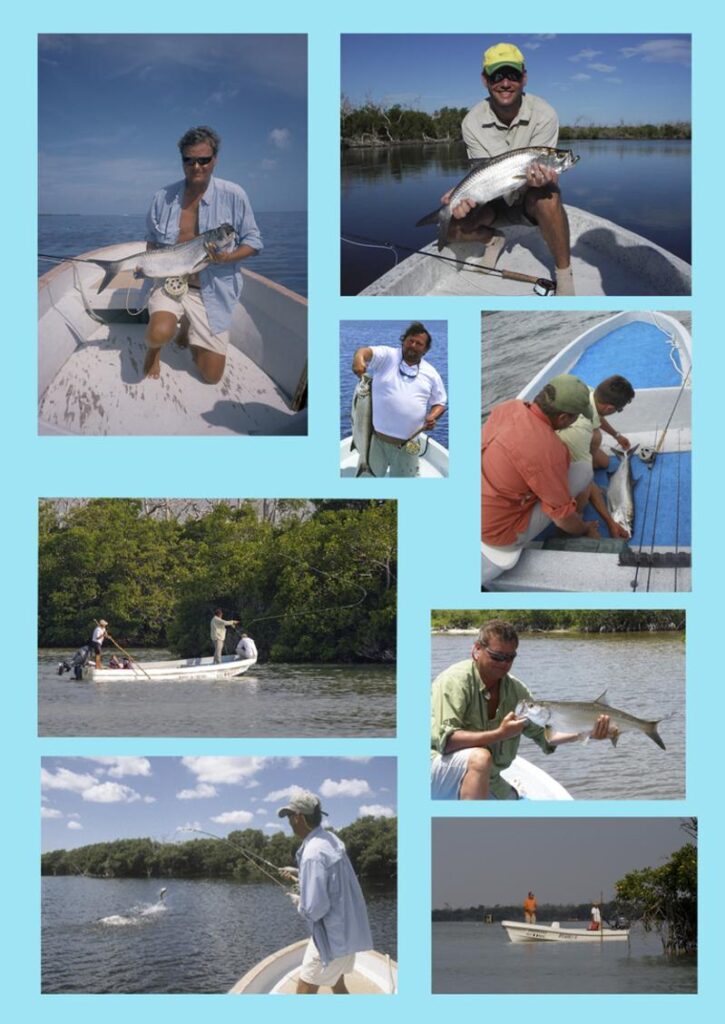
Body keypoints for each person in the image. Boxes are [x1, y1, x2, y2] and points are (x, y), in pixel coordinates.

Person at [442, 42, 576, 295]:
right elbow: (482, 173)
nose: (505, 83)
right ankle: (491, 239)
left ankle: (565, 277)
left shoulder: (544, 113)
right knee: (451, 226)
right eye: (497, 76)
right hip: (492, 198)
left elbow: (550, 179)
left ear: (524, 78)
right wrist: (462, 195)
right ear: (485, 80)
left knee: (549, 196)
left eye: (512, 75)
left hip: (529, 198)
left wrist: (545, 179)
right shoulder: (471, 121)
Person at [431, 619, 618, 800]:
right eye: (497, 656)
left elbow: (546, 737)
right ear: (477, 649)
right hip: (435, 769)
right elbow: (447, 742)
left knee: (514, 800)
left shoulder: (517, 691)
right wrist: (499, 734)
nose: (504, 663)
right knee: (481, 758)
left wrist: (585, 733)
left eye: (510, 657)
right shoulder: (454, 681)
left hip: (486, 776)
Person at [142, 125, 263, 383]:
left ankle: (187, 325)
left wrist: (227, 258)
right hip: (168, 283)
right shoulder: (162, 197)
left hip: (211, 291)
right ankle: (153, 352)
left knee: (211, 376)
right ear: (182, 160)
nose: (196, 166)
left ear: (215, 159)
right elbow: (152, 241)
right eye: (189, 160)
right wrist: (148, 266)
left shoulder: (234, 195)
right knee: (159, 333)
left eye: (204, 160)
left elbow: (253, 241)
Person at [481, 374, 602, 583]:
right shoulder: (551, 452)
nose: (577, 420)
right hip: (498, 535)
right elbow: (562, 518)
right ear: (563, 418)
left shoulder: (509, 407)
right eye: (576, 416)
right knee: (583, 470)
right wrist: (584, 528)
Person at [278, 791, 373, 994]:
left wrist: (298, 902)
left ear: (299, 817)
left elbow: (314, 909)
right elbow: (332, 881)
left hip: (331, 938)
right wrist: (299, 872)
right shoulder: (330, 840)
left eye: (289, 816)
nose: (289, 822)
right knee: (337, 984)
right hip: (347, 931)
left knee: (304, 990)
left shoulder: (313, 853)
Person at [351, 322, 447, 477]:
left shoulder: (432, 373)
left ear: (425, 350)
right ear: (403, 341)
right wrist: (358, 358)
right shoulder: (388, 356)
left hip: (408, 444)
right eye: (410, 340)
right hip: (375, 440)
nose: (413, 345)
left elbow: (440, 402)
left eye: (419, 343)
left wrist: (432, 416)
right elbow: (364, 352)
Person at [557, 374, 636, 539]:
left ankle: (586, 468)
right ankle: (575, 523)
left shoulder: (591, 393)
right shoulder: (579, 432)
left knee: (604, 461)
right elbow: (585, 479)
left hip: (567, 437)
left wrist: (617, 435)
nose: (618, 412)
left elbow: (597, 417)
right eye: (619, 409)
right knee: (585, 491)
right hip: (555, 456)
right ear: (609, 408)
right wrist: (610, 522)